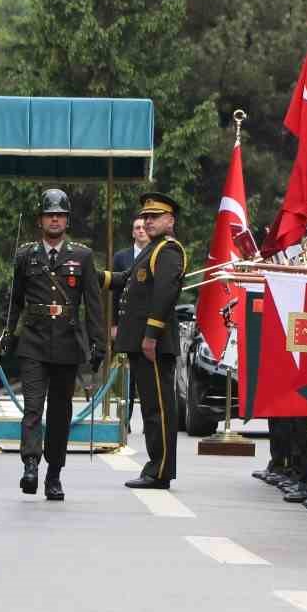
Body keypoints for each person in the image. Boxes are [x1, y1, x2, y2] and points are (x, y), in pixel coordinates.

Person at [0, 188, 106, 501]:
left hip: (67, 344)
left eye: (60, 214)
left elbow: (93, 303)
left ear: (67, 220)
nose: (55, 219)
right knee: (32, 407)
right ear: (40, 220)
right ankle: (30, 464)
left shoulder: (82, 256)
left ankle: (54, 473)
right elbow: (14, 301)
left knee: (60, 413)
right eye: (50, 214)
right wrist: (7, 332)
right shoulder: (26, 255)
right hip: (33, 340)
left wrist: (98, 343)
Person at [112, 191, 185, 490]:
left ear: (170, 220)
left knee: (159, 409)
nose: (148, 221)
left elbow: (164, 295)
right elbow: (125, 280)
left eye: (155, 217)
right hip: (142, 342)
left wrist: (151, 336)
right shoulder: (150, 249)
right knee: (151, 407)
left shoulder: (168, 250)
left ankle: (160, 470)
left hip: (152, 343)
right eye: (146, 216)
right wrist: (88, 273)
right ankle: (156, 467)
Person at [109, 217, 150, 421]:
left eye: (144, 227)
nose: (141, 230)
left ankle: (149, 421)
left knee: (147, 376)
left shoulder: (156, 254)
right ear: (133, 233)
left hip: (148, 324)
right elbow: (115, 294)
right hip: (125, 324)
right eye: (137, 228)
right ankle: (124, 421)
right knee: (127, 375)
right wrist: (113, 324)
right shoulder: (121, 257)